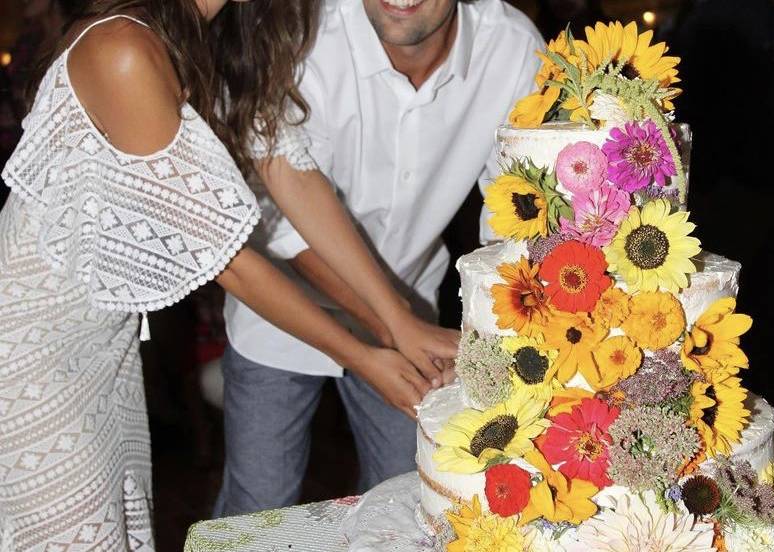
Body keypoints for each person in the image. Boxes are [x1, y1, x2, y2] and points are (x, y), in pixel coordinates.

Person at [0, 0, 459, 548]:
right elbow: (230, 262)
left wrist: (397, 320)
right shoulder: (121, 46)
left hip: (105, 345)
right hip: (30, 356)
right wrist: (363, 356)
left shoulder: (217, 40)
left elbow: (289, 172)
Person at [218, 0, 544, 515]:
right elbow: (280, 219)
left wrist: (493, 351)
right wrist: (392, 323)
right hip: (278, 312)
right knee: (257, 503)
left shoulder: (514, 48)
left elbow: (513, 219)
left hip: (414, 314)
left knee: (412, 500)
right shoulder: (300, 36)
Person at [674, 0, 774, 447]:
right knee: (722, 318)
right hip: (730, 195)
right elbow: (685, 106)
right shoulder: (714, 19)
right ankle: (719, 429)